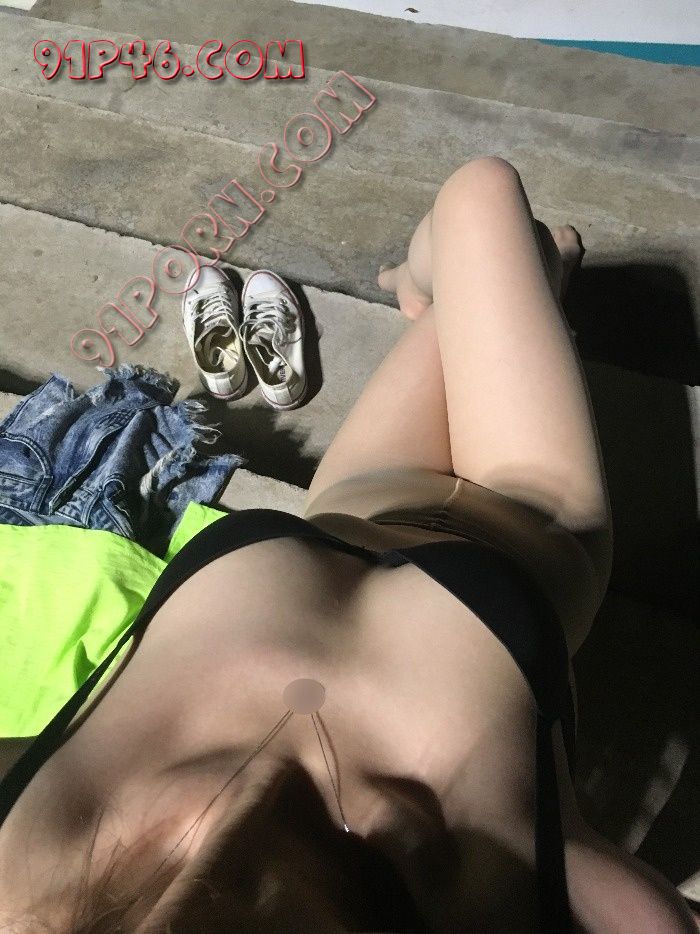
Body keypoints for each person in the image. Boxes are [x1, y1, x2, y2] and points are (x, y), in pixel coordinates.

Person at [0, 156, 695, 933]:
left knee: (494, 240)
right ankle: (490, 279)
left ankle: (475, 282)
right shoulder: (486, 898)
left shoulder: (19, 873)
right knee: (485, 201)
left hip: (361, 493)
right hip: (534, 508)